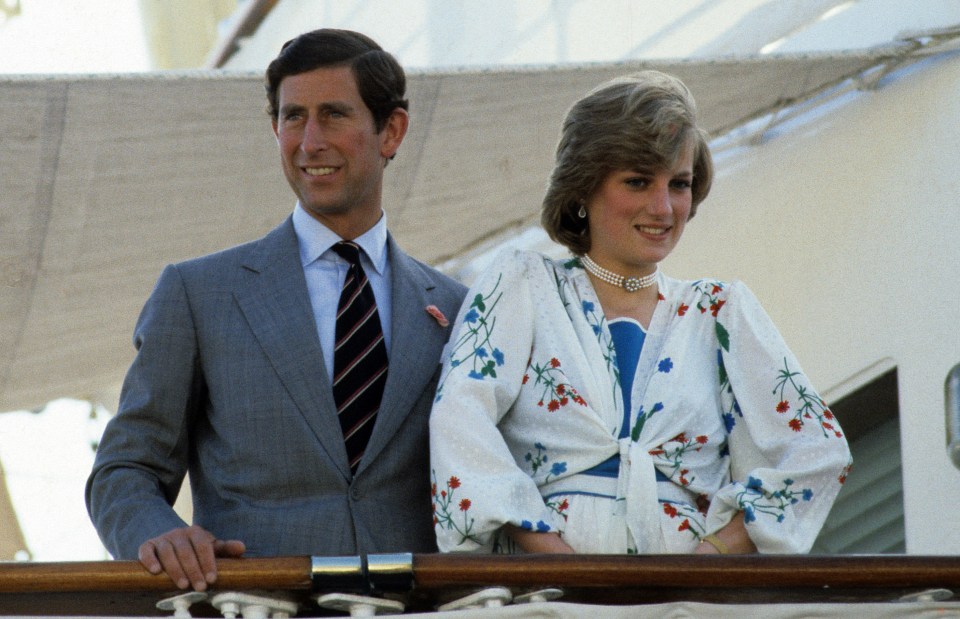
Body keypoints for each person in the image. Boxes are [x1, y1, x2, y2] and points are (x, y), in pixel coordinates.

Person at [86, 29, 466, 591]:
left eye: (334, 115)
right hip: (256, 604)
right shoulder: (198, 293)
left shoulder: (456, 310)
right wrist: (157, 532)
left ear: (392, 131)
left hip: (419, 606)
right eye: (293, 118)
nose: (309, 141)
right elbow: (124, 470)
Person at [429, 71, 851, 556]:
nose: (663, 207)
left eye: (680, 184)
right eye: (637, 181)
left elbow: (819, 451)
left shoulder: (720, 313)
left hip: (687, 604)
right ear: (583, 190)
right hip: (545, 597)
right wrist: (556, 563)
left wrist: (709, 558)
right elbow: (460, 420)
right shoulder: (523, 285)